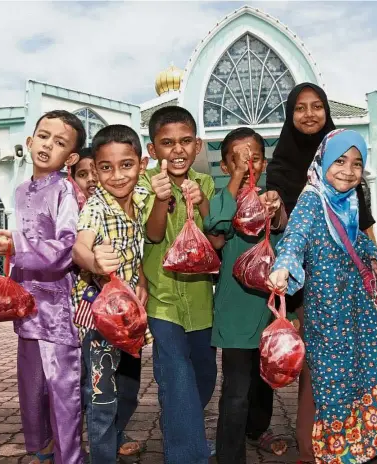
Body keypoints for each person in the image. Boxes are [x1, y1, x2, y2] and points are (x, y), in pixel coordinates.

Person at [268, 129, 377, 464]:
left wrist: (371, 255)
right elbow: (295, 235)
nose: (348, 170)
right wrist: (284, 265)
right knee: (335, 378)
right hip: (327, 311)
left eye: (357, 163)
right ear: (322, 161)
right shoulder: (312, 200)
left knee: (374, 363)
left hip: (355, 303)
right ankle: (340, 452)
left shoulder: (349, 201)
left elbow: (355, 237)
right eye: (339, 160)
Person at [264, 82, 377, 462]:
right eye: (300, 107)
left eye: (317, 106)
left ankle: (358, 436)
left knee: (359, 361)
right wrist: (283, 266)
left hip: (350, 290)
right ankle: (314, 448)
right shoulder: (290, 173)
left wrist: (373, 262)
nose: (310, 113)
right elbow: (291, 232)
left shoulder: (343, 161)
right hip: (309, 288)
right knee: (321, 372)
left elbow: (360, 226)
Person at [0, 110, 85, 464]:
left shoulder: (65, 190)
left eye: (59, 142)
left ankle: (70, 458)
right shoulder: (20, 189)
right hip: (26, 306)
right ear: (30, 141)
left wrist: (15, 246)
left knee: (63, 393)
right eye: (43, 136)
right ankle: (43, 452)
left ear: (71, 158)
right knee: (31, 391)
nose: (48, 145)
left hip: (58, 310)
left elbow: (65, 246)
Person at [204, 127, 294, 464]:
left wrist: (277, 207)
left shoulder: (270, 198)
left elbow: (286, 233)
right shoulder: (222, 197)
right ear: (226, 166)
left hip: (268, 306)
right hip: (236, 309)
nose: (248, 162)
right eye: (238, 159)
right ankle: (230, 455)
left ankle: (258, 429)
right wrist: (239, 178)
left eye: (254, 156)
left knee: (265, 380)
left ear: (265, 161)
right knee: (237, 389)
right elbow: (216, 225)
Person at [138, 106, 217, 464]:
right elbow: (153, 234)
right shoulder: (144, 185)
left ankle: (185, 429)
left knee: (204, 376)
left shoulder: (204, 184)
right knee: (177, 376)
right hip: (163, 300)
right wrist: (160, 198)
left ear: (197, 145)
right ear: (153, 150)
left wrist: (201, 207)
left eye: (186, 141)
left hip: (201, 302)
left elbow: (214, 240)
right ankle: (188, 454)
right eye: (167, 143)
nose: (178, 150)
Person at [71, 125, 150, 463]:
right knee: (102, 398)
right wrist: (95, 261)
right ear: (96, 169)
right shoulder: (96, 207)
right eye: (106, 167)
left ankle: (116, 438)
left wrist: (143, 279)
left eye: (126, 165)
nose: (117, 176)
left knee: (130, 392)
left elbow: (140, 246)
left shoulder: (143, 197)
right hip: (100, 319)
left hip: (130, 317)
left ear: (142, 164)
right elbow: (79, 249)